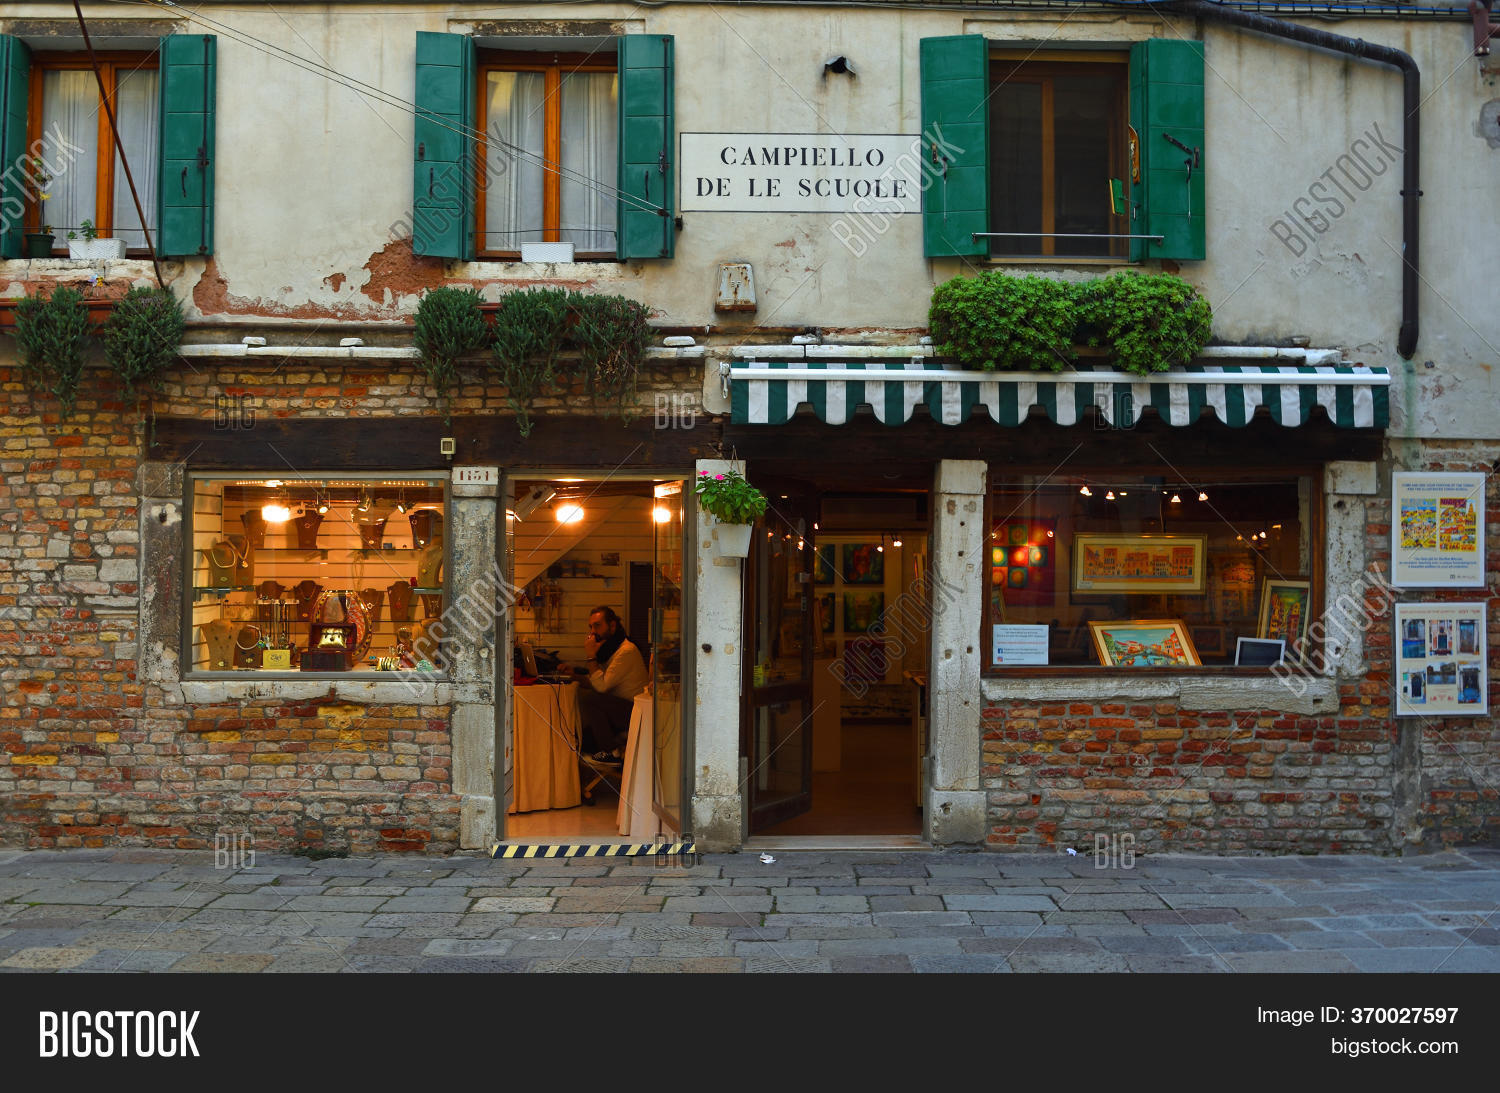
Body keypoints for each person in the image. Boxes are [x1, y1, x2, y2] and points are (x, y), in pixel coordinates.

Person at [559, 606, 647, 764]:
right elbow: (597, 681)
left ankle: (612, 753)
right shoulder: (611, 649)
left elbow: (600, 687)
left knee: (590, 699)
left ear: (612, 626)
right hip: (619, 710)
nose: (593, 632)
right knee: (579, 739)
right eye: (591, 627)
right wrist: (575, 676)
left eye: (597, 625)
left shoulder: (626, 651)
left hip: (636, 713)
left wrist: (591, 656)